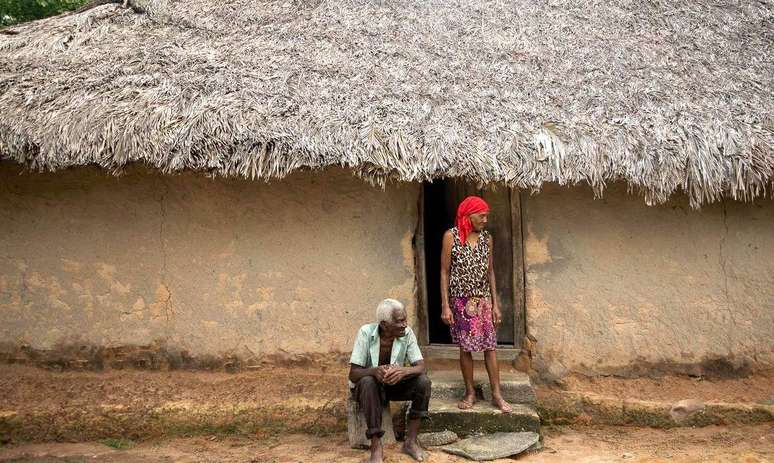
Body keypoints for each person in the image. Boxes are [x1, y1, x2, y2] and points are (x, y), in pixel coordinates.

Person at [440, 195, 513, 413]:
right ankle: (470, 392)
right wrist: (445, 305)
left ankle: (497, 395)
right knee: (465, 348)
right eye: (481, 215)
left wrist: (495, 304)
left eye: (486, 215)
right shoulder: (450, 237)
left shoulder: (486, 239)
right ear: (468, 215)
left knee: (490, 347)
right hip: (461, 301)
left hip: (483, 301)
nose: (485, 219)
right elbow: (444, 272)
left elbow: (490, 272)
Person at [349, 299, 431, 463]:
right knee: (367, 382)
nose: (404, 325)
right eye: (399, 321)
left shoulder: (407, 333)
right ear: (385, 325)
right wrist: (374, 371)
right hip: (369, 390)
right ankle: (376, 446)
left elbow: (421, 367)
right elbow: (353, 374)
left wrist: (403, 371)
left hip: (393, 386)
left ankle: (411, 441)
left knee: (423, 382)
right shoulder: (366, 332)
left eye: (405, 319)